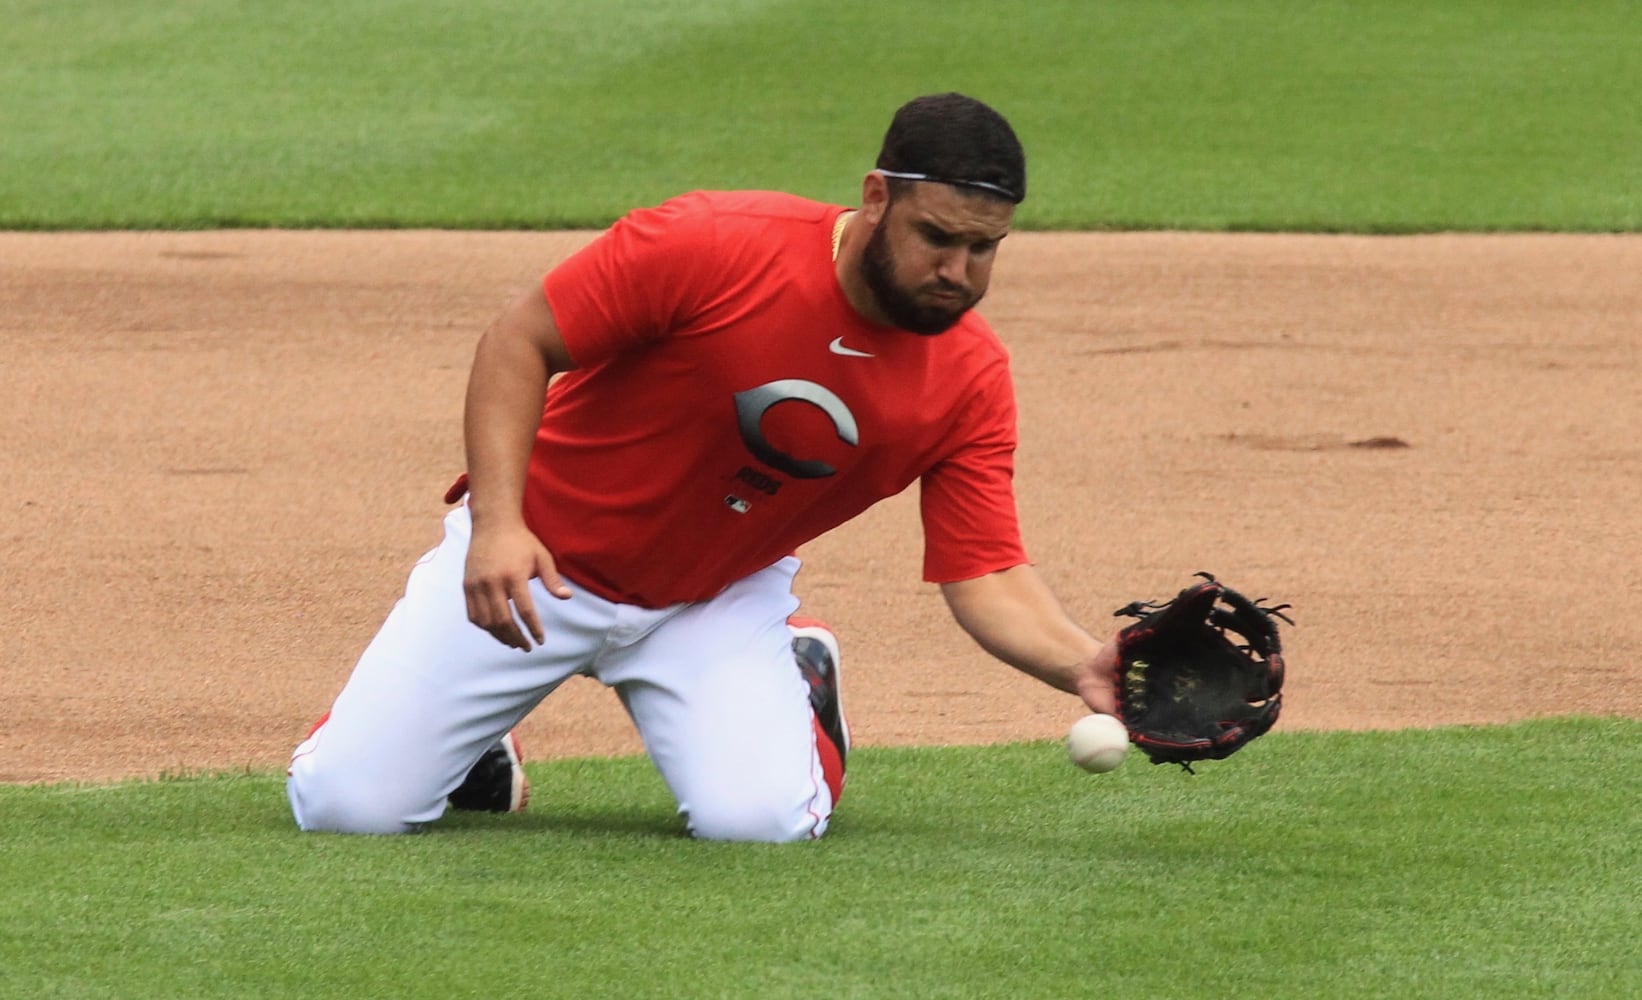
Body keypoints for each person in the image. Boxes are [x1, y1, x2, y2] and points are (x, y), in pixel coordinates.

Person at [286, 92, 1121, 842]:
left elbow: (985, 570)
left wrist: (1080, 663)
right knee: (343, 810)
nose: (957, 273)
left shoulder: (969, 377)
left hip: (709, 602)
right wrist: (498, 524)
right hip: (533, 567)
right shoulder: (717, 245)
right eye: (936, 237)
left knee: (761, 826)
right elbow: (520, 339)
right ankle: (473, 750)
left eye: (984, 249)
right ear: (876, 198)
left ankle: (803, 678)